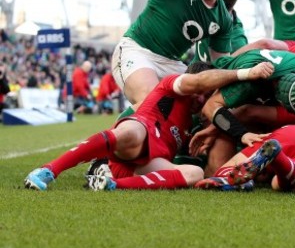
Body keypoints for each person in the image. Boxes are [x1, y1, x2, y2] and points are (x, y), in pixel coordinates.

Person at [23, 61, 274, 191]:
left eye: (206, 95)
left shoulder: (193, 121)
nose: (201, 99)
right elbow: (196, 83)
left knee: (193, 174)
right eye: (201, 92)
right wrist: (246, 73)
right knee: (133, 133)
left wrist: (210, 133)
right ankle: (48, 171)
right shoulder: (173, 85)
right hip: (132, 140)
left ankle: (112, 186)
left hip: (138, 166)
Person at [195, 110, 295, 192]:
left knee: (277, 182)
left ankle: (228, 178)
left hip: (286, 134)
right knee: (283, 182)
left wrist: (212, 129)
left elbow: (248, 111)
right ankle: (278, 159)